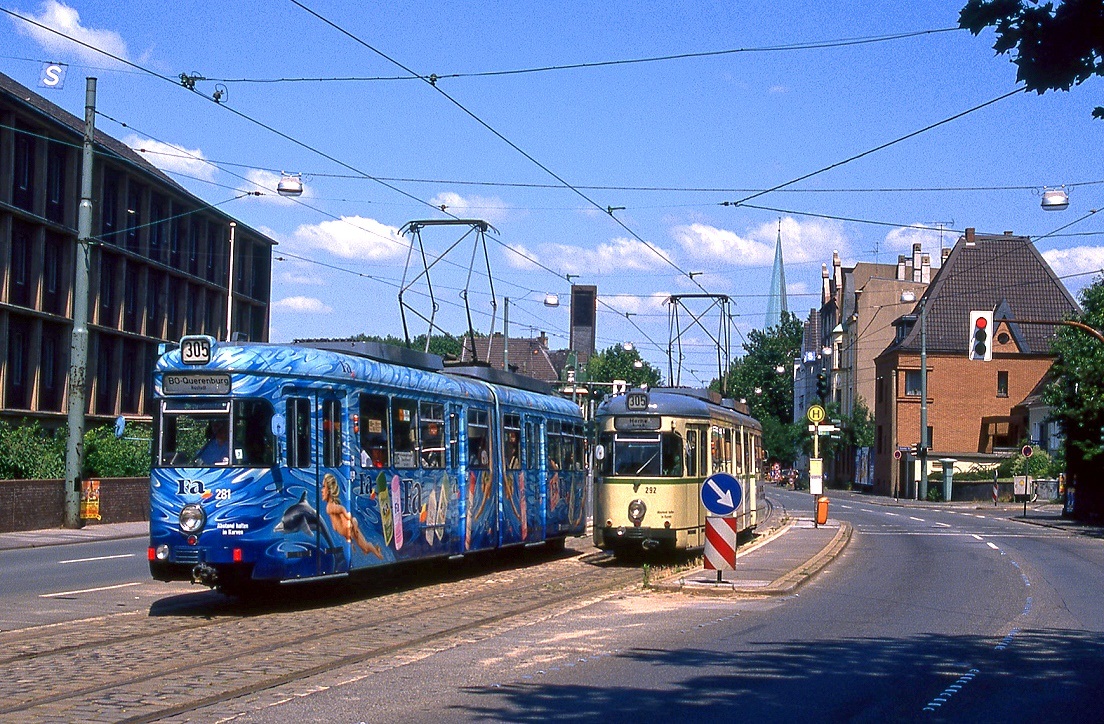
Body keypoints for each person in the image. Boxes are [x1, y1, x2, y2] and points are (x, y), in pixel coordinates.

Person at [322, 473, 382, 558]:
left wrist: (350, 521)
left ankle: (378, 554)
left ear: (329, 490)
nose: (322, 490)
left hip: (352, 527)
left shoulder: (331, 507)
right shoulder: (330, 507)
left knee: (365, 548)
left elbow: (342, 510)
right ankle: (376, 550)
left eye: (324, 487)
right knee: (365, 549)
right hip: (350, 530)